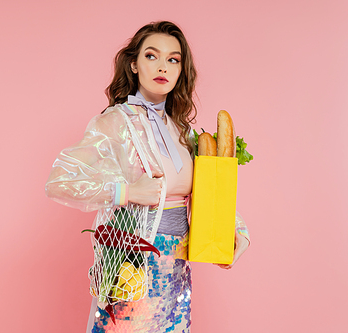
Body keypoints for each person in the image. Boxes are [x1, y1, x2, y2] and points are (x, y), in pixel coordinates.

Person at [45, 21, 250, 333]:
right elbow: (59, 182)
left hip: (177, 267)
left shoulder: (185, 131)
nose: (163, 66)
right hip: (132, 267)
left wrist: (236, 233)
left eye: (173, 59)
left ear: (182, 70)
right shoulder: (115, 122)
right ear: (134, 64)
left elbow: (208, 191)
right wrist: (127, 192)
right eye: (152, 56)